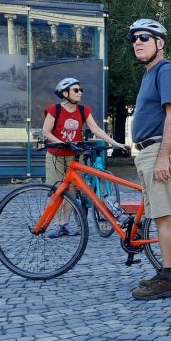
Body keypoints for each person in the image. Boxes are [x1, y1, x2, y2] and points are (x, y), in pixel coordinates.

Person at [127, 18, 171, 300]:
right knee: (158, 213)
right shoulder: (150, 73)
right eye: (134, 38)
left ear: (159, 43)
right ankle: (165, 270)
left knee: (164, 215)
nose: (137, 42)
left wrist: (163, 156)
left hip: (159, 150)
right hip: (148, 151)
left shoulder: (166, 71)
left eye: (144, 37)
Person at [42, 77, 124, 238]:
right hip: (55, 156)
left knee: (72, 191)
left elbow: (96, 130)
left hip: (74, 156)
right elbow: (46, 131)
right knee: (56, 190)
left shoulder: (83, 110)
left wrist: (115, 143)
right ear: (65, 93)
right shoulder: (54, 110)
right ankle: (58, 224)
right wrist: (63, 143)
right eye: (76, 90)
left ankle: (65, 224)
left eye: (81, 90)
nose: (80, 93)